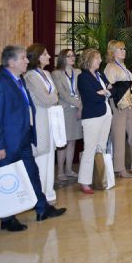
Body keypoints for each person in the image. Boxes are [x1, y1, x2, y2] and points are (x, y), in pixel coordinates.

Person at [0, 45, 66, 231]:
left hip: (24, 136)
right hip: (8, 140)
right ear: (11, 62)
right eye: (23, 58)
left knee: (32, 173)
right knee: (7, 178)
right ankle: (7, 219)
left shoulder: (19, 79)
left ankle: (42, 208)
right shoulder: (1, 82)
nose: (27, 61)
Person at [104, 40, 132, 178]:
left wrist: (131, 86)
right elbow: (109, 87)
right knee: (119, 134)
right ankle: (119, 167)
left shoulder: (123, 66)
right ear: (112, 52)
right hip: (118, 104)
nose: (124, 51)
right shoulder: (110, 67)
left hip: (129, 102)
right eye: (120, 49)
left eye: (124, 49)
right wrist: (129, 85)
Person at [24, 44, 59, 203]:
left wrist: (52, 96)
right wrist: (53, 96)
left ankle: (49, 192)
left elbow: (53, 95)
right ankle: (39, 195)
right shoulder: (31, 76)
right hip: (39, 119)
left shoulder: (47, 73)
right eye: (45, 54)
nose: (49, 56)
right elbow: (46, 99)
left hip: (50, 118)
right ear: (36, 57)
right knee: (41, 156)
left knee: (50, 156)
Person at [77, 49, 113, 194]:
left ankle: (100, 178)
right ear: (88, 60)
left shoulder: (100, 74)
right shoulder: (83, 77)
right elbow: (90, 97)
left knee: (101, 147)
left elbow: (112, 90)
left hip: (106, 113)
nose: (100, 61)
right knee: (90, 148)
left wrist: (104, 92)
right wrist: (103, 93)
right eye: (97, 58)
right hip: (92, 116)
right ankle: (84, 182)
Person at [52, 49, 83, 181]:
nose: (72, 58)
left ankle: (69, 169)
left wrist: (80, 106)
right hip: (64, 110)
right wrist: (79, 104)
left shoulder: (78, 72)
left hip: (77, 110)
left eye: (73, 56)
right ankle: (60, 171)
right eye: (68, 56)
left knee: (72, 141)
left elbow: (82, 91)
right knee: (63, 142)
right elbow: (63, 93)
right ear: (62, 58)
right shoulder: (56, 73)